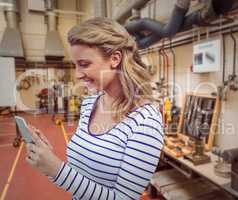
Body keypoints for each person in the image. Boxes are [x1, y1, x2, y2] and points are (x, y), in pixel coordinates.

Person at [25, 17, 164, 200]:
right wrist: (48, 159)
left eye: (84, 64)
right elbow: (80, 179)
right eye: (75, 65)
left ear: (115, 59)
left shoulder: (146, 121)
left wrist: (57, 169)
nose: (77, 75)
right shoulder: (90, 103)